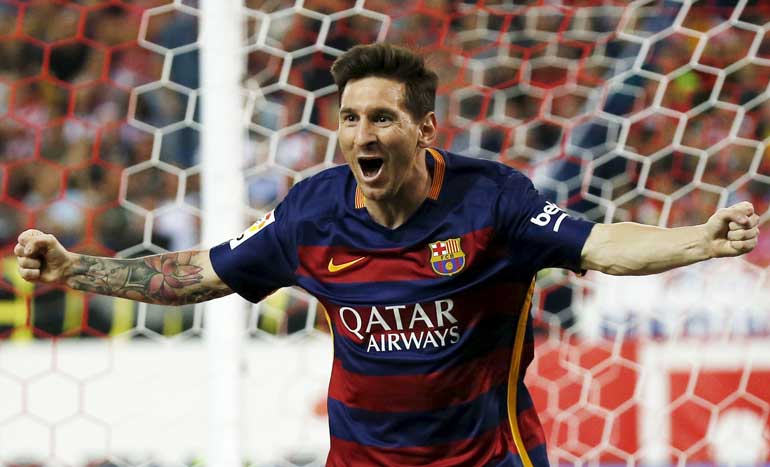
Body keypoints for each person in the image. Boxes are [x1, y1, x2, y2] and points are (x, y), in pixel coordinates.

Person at [14, 43, 760, 467]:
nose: (361, 133)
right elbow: (195, 274)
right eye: (349, 118)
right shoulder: (313, 212)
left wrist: (699, 240)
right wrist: (74, 268)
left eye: (381, 117)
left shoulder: (492, 200)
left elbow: (599, 244)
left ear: (425, 128)